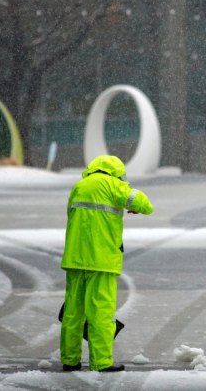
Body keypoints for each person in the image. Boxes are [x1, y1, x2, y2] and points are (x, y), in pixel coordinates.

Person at [60, 155, 154, 372]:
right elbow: (145, 204)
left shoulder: (79, 186)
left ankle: (70, 360)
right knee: (100, 312)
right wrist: (134, 206)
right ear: (116, 173)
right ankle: (101, 361)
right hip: (101, 261)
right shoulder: (114, 185)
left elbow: (71, 215)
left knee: (73, 312)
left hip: (74, 258)